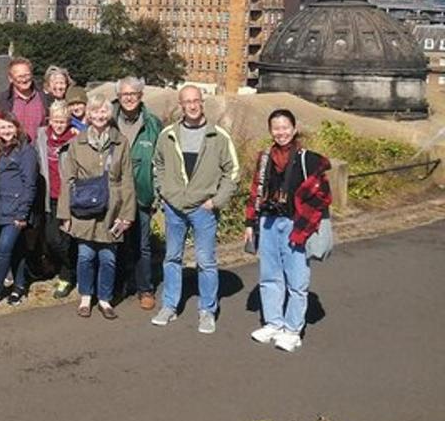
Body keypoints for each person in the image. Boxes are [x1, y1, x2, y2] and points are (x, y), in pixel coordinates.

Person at [151, 85, 240, 334]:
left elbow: (232, 172)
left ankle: (207, 311)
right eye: (186, 102)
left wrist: (216, 201)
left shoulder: (218, 136)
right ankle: (169, 306)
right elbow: (157, 164)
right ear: (180, 105)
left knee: (206, 261)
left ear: (202, 102)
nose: (191, 106)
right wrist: (164, 193)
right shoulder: (168, 134)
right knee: (172, 258)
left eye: (195, 101)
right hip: (174, 207)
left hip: (204, 208)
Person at [244, 110, 331, 352]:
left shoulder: (308, 160)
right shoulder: (265, 159)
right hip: (269, 222)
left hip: (296, 223)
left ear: (294, 128)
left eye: (285, 127)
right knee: (269, 275)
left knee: (297, 279)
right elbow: (255, 193)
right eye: (276, 128)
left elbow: (323, 195)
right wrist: (250, 223)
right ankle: (273, 323)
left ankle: (293, 329)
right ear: (270, 131)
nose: (280, 132)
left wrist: (305, 219)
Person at [58, 94, 136, 319]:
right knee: (85, 256)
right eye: (95, 111)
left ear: (109, 114)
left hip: (112, 208)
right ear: (88, 115)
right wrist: (65, 214)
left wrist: (127, 215)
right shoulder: (77, 143)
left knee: (108, 258)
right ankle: (85, 297)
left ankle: (104, 298)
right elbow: (68, 180)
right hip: (84, 209)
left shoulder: (121, 142)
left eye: (103, 111)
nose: (99, 115)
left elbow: (127, 180)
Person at [112, 77, 163, 310]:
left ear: (141, 96)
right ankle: (117, 287)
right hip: (114, 195)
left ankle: (145, 289)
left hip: (142, 193)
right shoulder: (109, 120)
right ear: (119, 98)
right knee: (116, 242)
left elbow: (161, 162)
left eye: (133, 94)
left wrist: (157, 195)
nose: (129, 98)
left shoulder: (153, 124)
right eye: (124, 94)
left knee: (142, 244)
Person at [0, 113, 37, 307]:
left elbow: (30, 184)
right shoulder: (2, 150)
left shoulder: (26, 151)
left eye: (10, 127)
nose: (6, 131)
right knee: (16, 250)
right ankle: (19, 286)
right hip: (2, 209)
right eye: (2, 128)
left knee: (3, 248)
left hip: (17, 210)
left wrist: (22, 212)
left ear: (17, 127)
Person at [36, 101, 80, 299]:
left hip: (68, 197)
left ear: (69, 121)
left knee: (66, 238)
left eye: (63, 121)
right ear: (49, 120)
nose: (59, 125)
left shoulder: (76, 139)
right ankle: (72, 267)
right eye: (55, 120)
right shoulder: (42, 136)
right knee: (51, 238)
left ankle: (67, 276)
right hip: (48, 196)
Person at [0, 57, 47, 141]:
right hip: (11, 151)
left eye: (27, 75)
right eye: (20, 76)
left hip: (40, 152)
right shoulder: (0, 101)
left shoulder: (44, 98)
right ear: (10, 78)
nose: (24, 79)